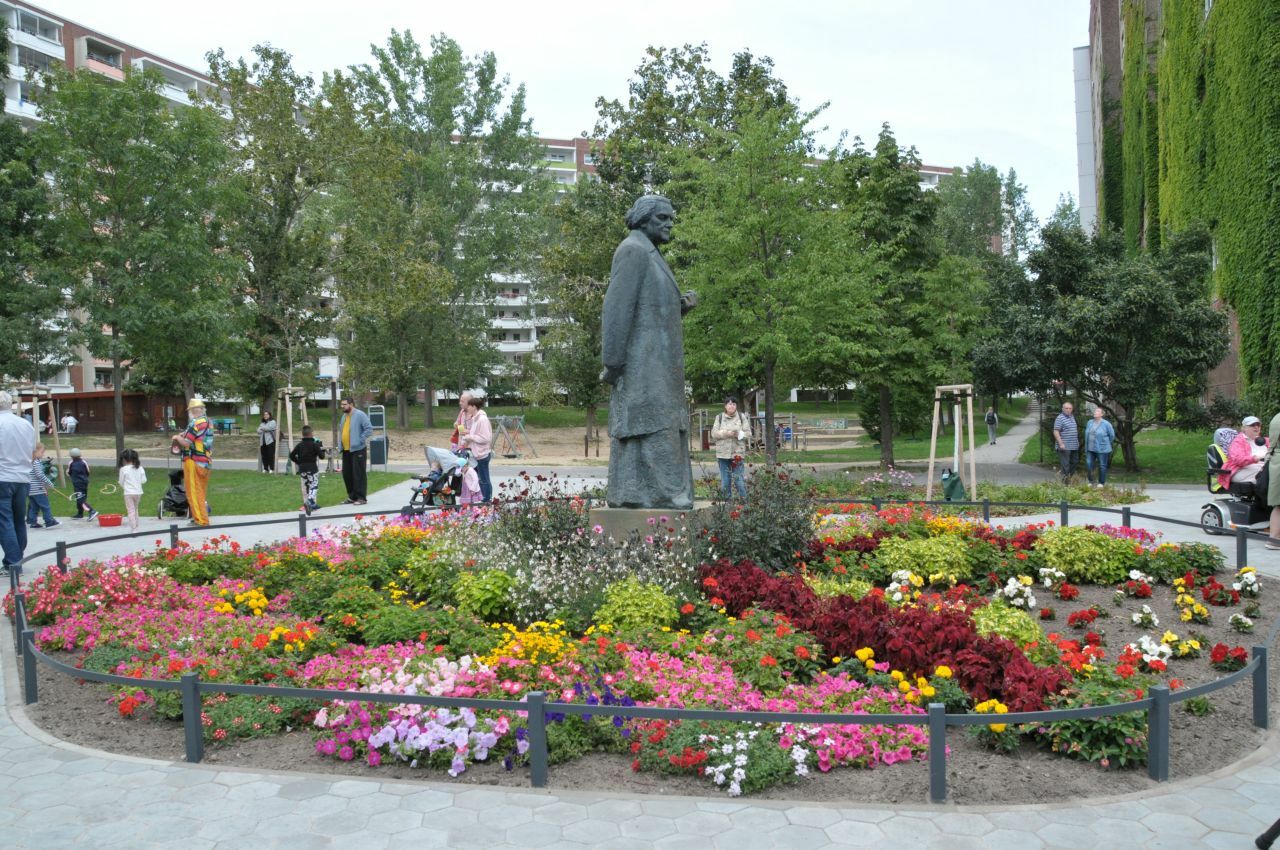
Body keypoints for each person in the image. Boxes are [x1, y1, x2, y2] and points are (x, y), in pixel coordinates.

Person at [600, 194, 697, 510]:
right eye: (663, 218)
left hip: (657, 362)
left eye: (671, 218)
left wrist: (677, 307)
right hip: (642, 367)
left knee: (661, 423)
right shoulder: (633, 251)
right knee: (651, 426)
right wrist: (613, 363)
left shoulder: (650, 252)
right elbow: (616, 310)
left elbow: (647, 309)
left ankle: (649, 493)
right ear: (644, 218)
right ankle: (660, 493)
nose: (669, 224)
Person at [0, 391, 37, 575]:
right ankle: (15, 559)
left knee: (4, 521)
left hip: (2, 477)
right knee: (19, 521)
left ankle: (13, 564)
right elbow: (32, 449)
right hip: (22, 477)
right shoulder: (25, 424)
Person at [170, 398, 212, 526]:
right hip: (205, 461)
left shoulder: (195, 423)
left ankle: (200, 520)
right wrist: (185, 434)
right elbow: (198, 437)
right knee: (201, 491)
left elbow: (186, 442)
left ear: (193, 411)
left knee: (193, 491)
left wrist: (177, 437)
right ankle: (199, 516)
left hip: (193, 460)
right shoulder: (208, 421)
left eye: (191, 410)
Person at [711, 397, 749, 501]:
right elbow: (714, 434)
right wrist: (726, 433)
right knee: (725, 480)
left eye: (733, 404)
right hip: (722, 454)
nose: (731, 406)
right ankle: (726, 503)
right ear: (725, 406)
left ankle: (744, 502)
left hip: (738, 454)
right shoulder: (719, 417)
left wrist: (738, 434)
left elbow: (748, 434)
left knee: (738, 479)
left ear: (736, 406)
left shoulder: (742, 417)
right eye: (729, 404)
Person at [1220, 415, 1270, 494]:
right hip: (1240, 470)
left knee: (1271, 471)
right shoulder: (1238, 441)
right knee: (1267, 474)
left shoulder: (1264, 440)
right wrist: (1255, 458)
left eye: (1258, 425)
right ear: (1244, 428)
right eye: (1252, 425)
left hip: (1261, 468)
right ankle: (1266, 502)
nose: (1256, 427)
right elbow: (1238, 459)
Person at [338, 397, 372, 505]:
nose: (342, 406)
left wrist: (359, 440)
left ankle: (361, 498)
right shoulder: (344, 416)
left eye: (344, 404)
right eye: (341, 404)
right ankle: (352, 496)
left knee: (359, 474)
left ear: (351, 404)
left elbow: (369, 429)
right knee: (347, 474)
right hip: (346, 450)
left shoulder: (360, 415)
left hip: (358, 449)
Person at [459, 396, 493, 502]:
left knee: (484, 479)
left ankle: (487, 499)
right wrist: (466, 439)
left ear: (474, 407)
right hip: (476, 453)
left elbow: (485, 438)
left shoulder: (482, 419)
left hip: (482, 454)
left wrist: (470, 437)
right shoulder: (475, 419)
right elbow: (474, 434)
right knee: (478, 478)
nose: (467, 408)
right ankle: (483, 497)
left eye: (469, 406)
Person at [288, 425, 326, 515]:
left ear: (303, 434)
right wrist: (321, 449)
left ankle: (312, 504)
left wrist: (299, 462)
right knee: (314, 486)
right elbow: (322, 457)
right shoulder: (314, 444)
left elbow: (291, 455)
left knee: (306, 486)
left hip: (302, 469)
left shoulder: (299, 445)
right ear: (311, 434)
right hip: (312, 469)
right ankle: (309, 501)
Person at [27, 443, 59, 529]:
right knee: (45, 506)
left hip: (30, 489)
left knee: (34, 507)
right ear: (35, 452)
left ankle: (33, 522)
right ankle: (49, 521)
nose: (43, 454)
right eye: (42, 452)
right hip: (38, 489)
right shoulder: (36, 462)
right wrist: (49, 483)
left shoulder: (29, 461)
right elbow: (40, 475)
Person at [1084, 406, 1116, 487]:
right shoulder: (1090, 422)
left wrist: (1105, 443)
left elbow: (1112, 435)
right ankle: (1091, 481)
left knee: (1102, 465)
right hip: (1090, 448)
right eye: (1095, 411)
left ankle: (1101, 482)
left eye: (1098, 411)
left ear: (1102, 414)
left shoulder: (1106, 424)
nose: (1095, 412)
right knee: (1089, 464)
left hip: (1102, 449)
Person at [117, 449, 147, 531]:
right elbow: (144, 480)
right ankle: (136, 527)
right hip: (138, 492)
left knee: (131, 511)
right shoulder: (140, 468)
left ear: (124, 459)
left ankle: (134, 529)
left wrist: (124, 486)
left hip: (128, 493)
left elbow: (121, 482)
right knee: (135, 509)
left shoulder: (123, 469)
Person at [66, 447, 99, 521]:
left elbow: (69, 473)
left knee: (80, 500)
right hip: (84, 482)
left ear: (71, 456)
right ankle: (80, 513)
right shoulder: (84, 462)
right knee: (81, 498)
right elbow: (88, 472)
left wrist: (69, 474)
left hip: (77, 483)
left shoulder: (71, 463)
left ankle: (92, 511)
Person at [1052, 401, 1080, 484]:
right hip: (1064, 446)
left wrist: (1077, 442)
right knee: (1065, 465)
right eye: (1066, 408)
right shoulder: (1060, 418)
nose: (1068, 410)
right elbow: (1056, 431)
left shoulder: (1072, 417)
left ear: (1072, 409)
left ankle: (1068, 478)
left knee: (1075, 462)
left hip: (1074, 446)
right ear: (1063, 409)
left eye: (1070, 408)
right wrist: (1061, 443)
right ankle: (1066, 484)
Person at [1267, 412, 1280, 551]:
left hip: (1276, 461)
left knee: (1278, 506)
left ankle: (1274, 538)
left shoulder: (1276, 417)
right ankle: (1274, 539)